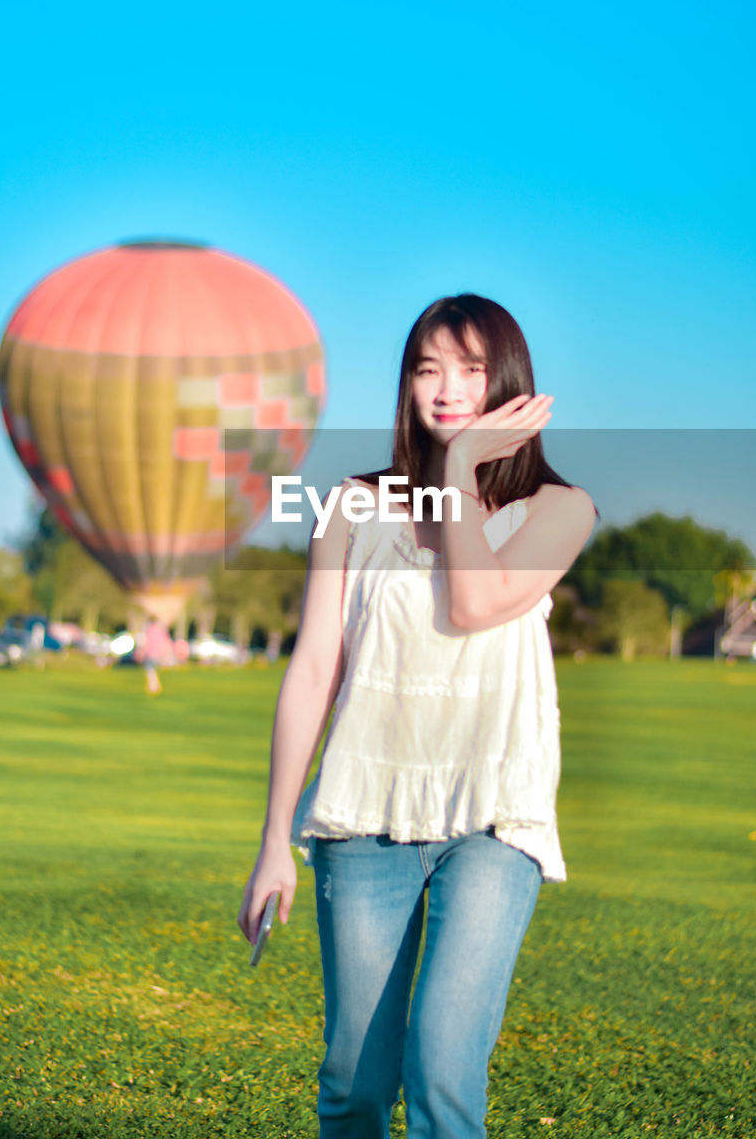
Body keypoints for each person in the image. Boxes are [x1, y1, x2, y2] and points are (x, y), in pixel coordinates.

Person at [238, 294, 596, 1138]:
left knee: (442, 1072)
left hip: (492, 818)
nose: (445, 388)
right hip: (364, 812)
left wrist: (463, 467)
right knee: (353, 1085)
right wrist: (269, 848)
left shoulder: (557, 509)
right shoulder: (352, 509)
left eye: (470, 369)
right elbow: (313, 670)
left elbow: (474, 603)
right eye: (426, 368)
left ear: (507, 381)